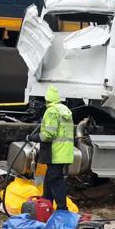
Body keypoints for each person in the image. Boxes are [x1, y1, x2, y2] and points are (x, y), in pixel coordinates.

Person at [36, 85, 74, 213]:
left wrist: (34, 137)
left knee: (55, 179)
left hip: (56, 152)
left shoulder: (52, 111)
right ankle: (46, 205)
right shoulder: (65, 110)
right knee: (49, 179)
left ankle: (62, 209)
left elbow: (49, 134)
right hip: (65, 152)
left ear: (47, 100)